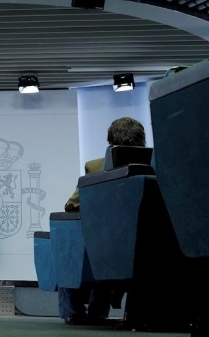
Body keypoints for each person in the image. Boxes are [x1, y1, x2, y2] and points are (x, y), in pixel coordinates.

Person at [60, 117, 146, 325]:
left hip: (106, 249)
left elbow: (71, 206)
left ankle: (77, 314)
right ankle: (103, 311)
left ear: (110, 142)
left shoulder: (97, 166)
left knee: (70, 246)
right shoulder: (157, 164)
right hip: (148, 248)